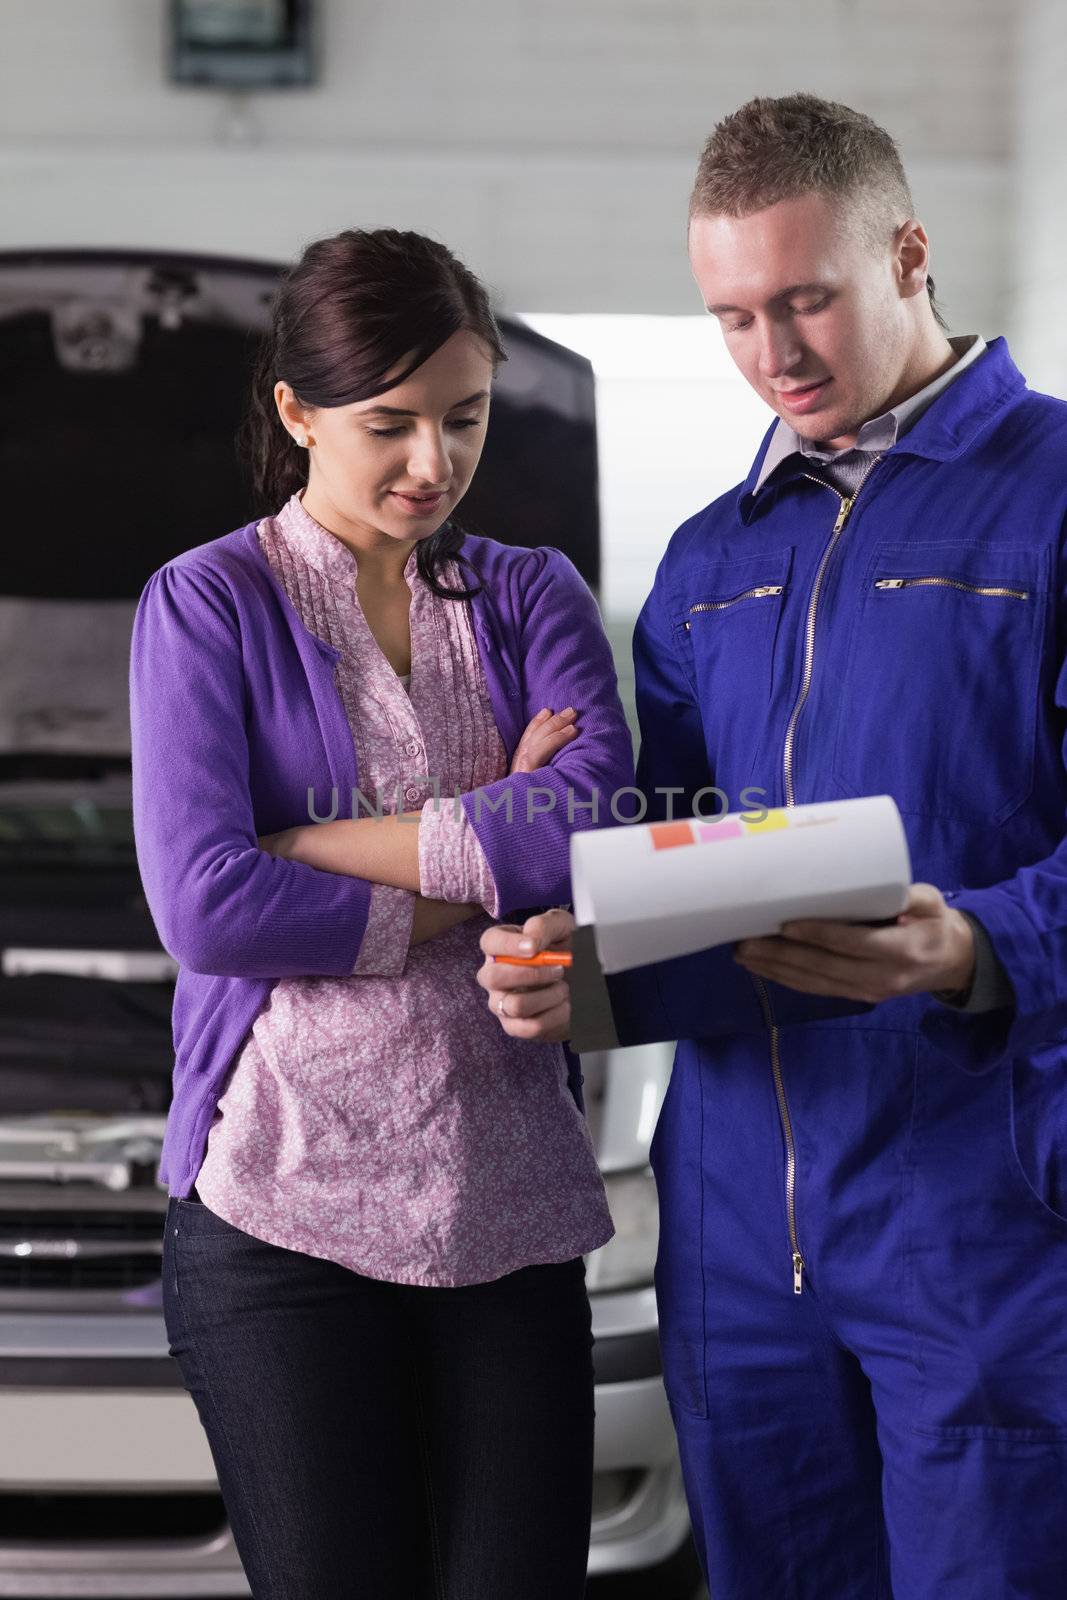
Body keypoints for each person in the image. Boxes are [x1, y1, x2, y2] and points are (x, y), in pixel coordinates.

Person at [477, 94, 1067, 1599]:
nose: (775, 355)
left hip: (983, 1208)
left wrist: (979, 940)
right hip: (739, 1219)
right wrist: (572, 956)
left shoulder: (1053, 499)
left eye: (806, 299)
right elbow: (671, 851)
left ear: (911, 254)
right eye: (734, 316)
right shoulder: (707, 559)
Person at [128, 227, 637, 1599]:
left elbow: (594, 818)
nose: (434, 463)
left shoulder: (531, 593)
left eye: (464, 419)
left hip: (510, 1207)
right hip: (279, 1213)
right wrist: (477, 860)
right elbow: (210, 905)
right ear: (296, 412)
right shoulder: (207, 605)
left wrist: (322, 846)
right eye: (389, 424)